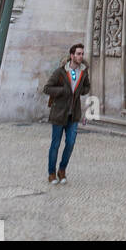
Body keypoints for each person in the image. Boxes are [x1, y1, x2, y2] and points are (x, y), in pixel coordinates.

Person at [43, 42, 91, 185]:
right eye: (78, 54)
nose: (81, 56)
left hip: (73, 114)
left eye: (82, 54)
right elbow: (47, 88)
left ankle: (62, 170)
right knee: (55, 144)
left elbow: (87, 86)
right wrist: (62, 91)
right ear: (72, 55)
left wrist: (82, 91)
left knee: (70, 143)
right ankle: (51, 173)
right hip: (59, 113)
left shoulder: (83, 72)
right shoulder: (60, 72)